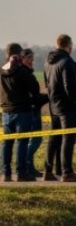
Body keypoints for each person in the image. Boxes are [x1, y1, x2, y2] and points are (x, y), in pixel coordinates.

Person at [44, 34, 76, 182]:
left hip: (54, 105)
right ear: (69, 45)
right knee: (68, 139)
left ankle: (47, 170)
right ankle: (67, 172)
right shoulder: (66, 61)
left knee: (54, 138)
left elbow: (47, 83)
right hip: (67, 107)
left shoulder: (48, 62)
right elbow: (70, 87)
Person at [1, 43, 41, 182]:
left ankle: (5, 172)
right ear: (18, 54)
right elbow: (34, 88)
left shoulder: (1, 71)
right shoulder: (21, 71)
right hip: (22, 111)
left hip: (6, 111)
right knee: (22, 142)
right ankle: (21, 173)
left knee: (7, 143)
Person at [21, 49, 48, 178]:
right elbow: (33, 97)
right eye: (29, 58)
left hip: (30, 110)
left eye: (32, 57)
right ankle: (26, 163)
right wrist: (47, 97)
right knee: (35, 140)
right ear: (23, 59)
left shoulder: (26, 73)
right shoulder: (26, 75)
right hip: (32, 111)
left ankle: (30, 167)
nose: (32, 60)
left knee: (32, 140)